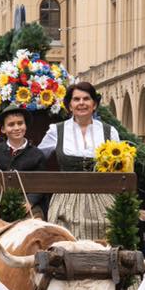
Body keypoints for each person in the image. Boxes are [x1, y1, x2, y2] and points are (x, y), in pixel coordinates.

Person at [38, 82, 121, 239]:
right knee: (62, 237)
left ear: (94, 104)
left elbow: (120, 167)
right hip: (66, 197)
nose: (81, 103)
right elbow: (36, 158)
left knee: (107, 230)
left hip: (102, 196)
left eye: (86, 99)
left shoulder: (109, 132)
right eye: (76, 99)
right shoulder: (57, 130)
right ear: (70, 105)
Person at [0, 104, 48, 217]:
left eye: (20, 123)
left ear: (25, 126)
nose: (16, 128)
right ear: (3, 129)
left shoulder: (37, 154)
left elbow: (41, 184)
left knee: (35, 225)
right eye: (11, 125)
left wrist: (29, 202)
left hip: (28, 204)